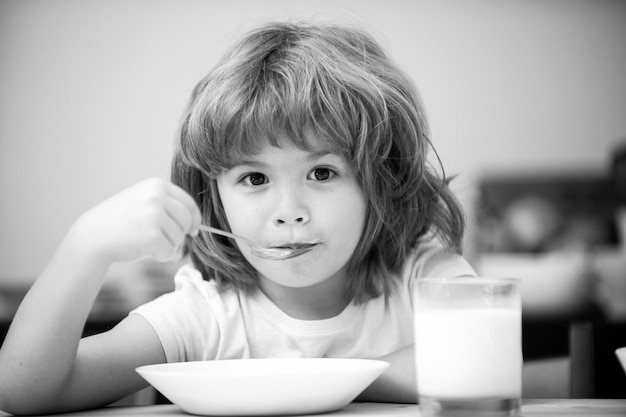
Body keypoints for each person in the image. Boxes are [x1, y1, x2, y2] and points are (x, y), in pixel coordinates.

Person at [0, 22, 476, 414]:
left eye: (323, 172)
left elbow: (477, 360)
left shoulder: (421, 273)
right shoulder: (206, 314)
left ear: (381, 179)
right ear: (214, 196)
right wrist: (85, 247)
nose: (290, 213)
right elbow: (25, 390)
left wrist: (318, 382)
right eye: (254, 179)